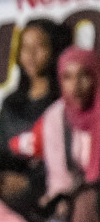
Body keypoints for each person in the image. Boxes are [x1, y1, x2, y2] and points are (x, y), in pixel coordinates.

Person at [0, 18, 66, 190]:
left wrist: (30, 183)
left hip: (49, 189)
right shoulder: (11, 103)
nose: (30, 54)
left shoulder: (63, 102)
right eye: (25, 48)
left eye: (39, 46)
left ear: (54, 50)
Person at [36, 46, 100, 204]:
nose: (76, 85)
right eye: (68, 77)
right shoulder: (55, 117)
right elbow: (59, 175)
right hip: (76, 197)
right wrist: (62, 201)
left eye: (84, 75)